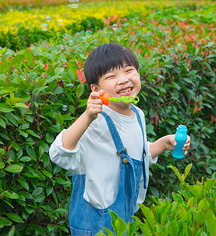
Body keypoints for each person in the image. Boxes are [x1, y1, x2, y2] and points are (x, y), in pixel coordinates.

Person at [49, 42, 191, 235]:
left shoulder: (137, 114)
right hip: (95, 222)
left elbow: (135, 157)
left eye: (129, 71)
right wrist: (87, 117)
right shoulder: (95, 121)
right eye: (111, 76)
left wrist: (163, 144)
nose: (124, 80)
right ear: (95, 89)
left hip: (125, 218)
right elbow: (58, 154)